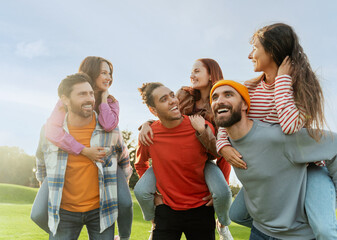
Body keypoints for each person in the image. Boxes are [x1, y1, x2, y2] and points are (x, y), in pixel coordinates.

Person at [216, 23, 337, 239]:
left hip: (305, 167)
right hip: (271, 170)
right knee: (237, 214)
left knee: (324, 228)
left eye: (255, 48)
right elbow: (229, 117)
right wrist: (223, 144)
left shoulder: (303, 89)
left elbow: (289, 127)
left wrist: (283, 81)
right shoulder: (250, 88)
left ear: (272, 50)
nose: (250, 55)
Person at [30, 56, 133, 240]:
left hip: (102, 208)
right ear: (65, 99)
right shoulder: (55, 120)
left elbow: (118, 145)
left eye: (90, 93)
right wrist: (43, 179)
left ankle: (123, 238)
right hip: (65, 211)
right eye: (103, 73)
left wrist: (102, 97)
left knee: (126, 202)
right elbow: (44, 150)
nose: (108, 77)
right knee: (37, 214)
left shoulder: (109, 106)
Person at [137, 59, 237, 240]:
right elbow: (166, 116)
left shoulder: (221, 105)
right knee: (141, 190)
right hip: (174, 153)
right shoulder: (184, 95)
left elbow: (221, 152)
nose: (192, 75)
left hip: (207, 155)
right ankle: (154, 221)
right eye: (192, 71)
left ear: (211, 74)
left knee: (222, 193)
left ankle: (223, 224)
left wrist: (202, 130)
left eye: (197, 71)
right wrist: (147, 124)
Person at [135, 82, 217, 239]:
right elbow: (140, 164)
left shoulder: (201, 127)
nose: (173, 100)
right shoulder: (149, 135)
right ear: (153, 110)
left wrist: (217, 191)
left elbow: (218, 155)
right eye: (164, 99)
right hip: (166, 210)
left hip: (202, 208)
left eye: (172, 95)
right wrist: (154, 196)